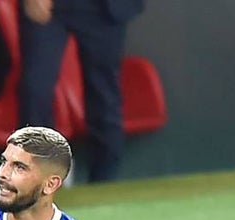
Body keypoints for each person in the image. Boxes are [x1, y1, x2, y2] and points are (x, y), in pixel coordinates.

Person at [18, 0, 145, 183]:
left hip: (104, 7)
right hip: (50, 6)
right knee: (35, 90)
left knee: (104, 96)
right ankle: (34, 187)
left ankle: (104, 187)